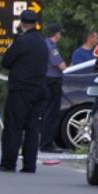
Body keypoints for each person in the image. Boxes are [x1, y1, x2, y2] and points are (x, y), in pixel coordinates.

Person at [0, 9, 50, 173]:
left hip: (21, 90)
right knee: (33, 129)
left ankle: (8, 162)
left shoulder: (21, 42)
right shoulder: (42, 42)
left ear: (22, 23)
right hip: (39, 89)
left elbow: (6, 62)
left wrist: (13, 44)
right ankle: (29, 164)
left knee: (14, 127)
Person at [38, 23, 66, 152]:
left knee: (46, 112)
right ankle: (46, 143)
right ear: (57, 34)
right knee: (51, 113)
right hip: (52, 82)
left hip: (46, 81)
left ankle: (46, 142)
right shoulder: (51, 47)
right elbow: (60, 66)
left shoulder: (44, 44)